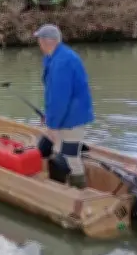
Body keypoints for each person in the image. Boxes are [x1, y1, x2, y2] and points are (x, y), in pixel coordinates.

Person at [35, 24, 94, 188]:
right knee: (55, 149)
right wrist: (49, 117)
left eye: (39, 39)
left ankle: (79, 192)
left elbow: (59, 98)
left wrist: (52, 125)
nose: (38, 43)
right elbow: (53, 95)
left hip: (72, 120)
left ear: (47, 41)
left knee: (70, 156)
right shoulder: (56, 57)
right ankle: (63, 184)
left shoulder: (62, 62)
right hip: (66, 116)